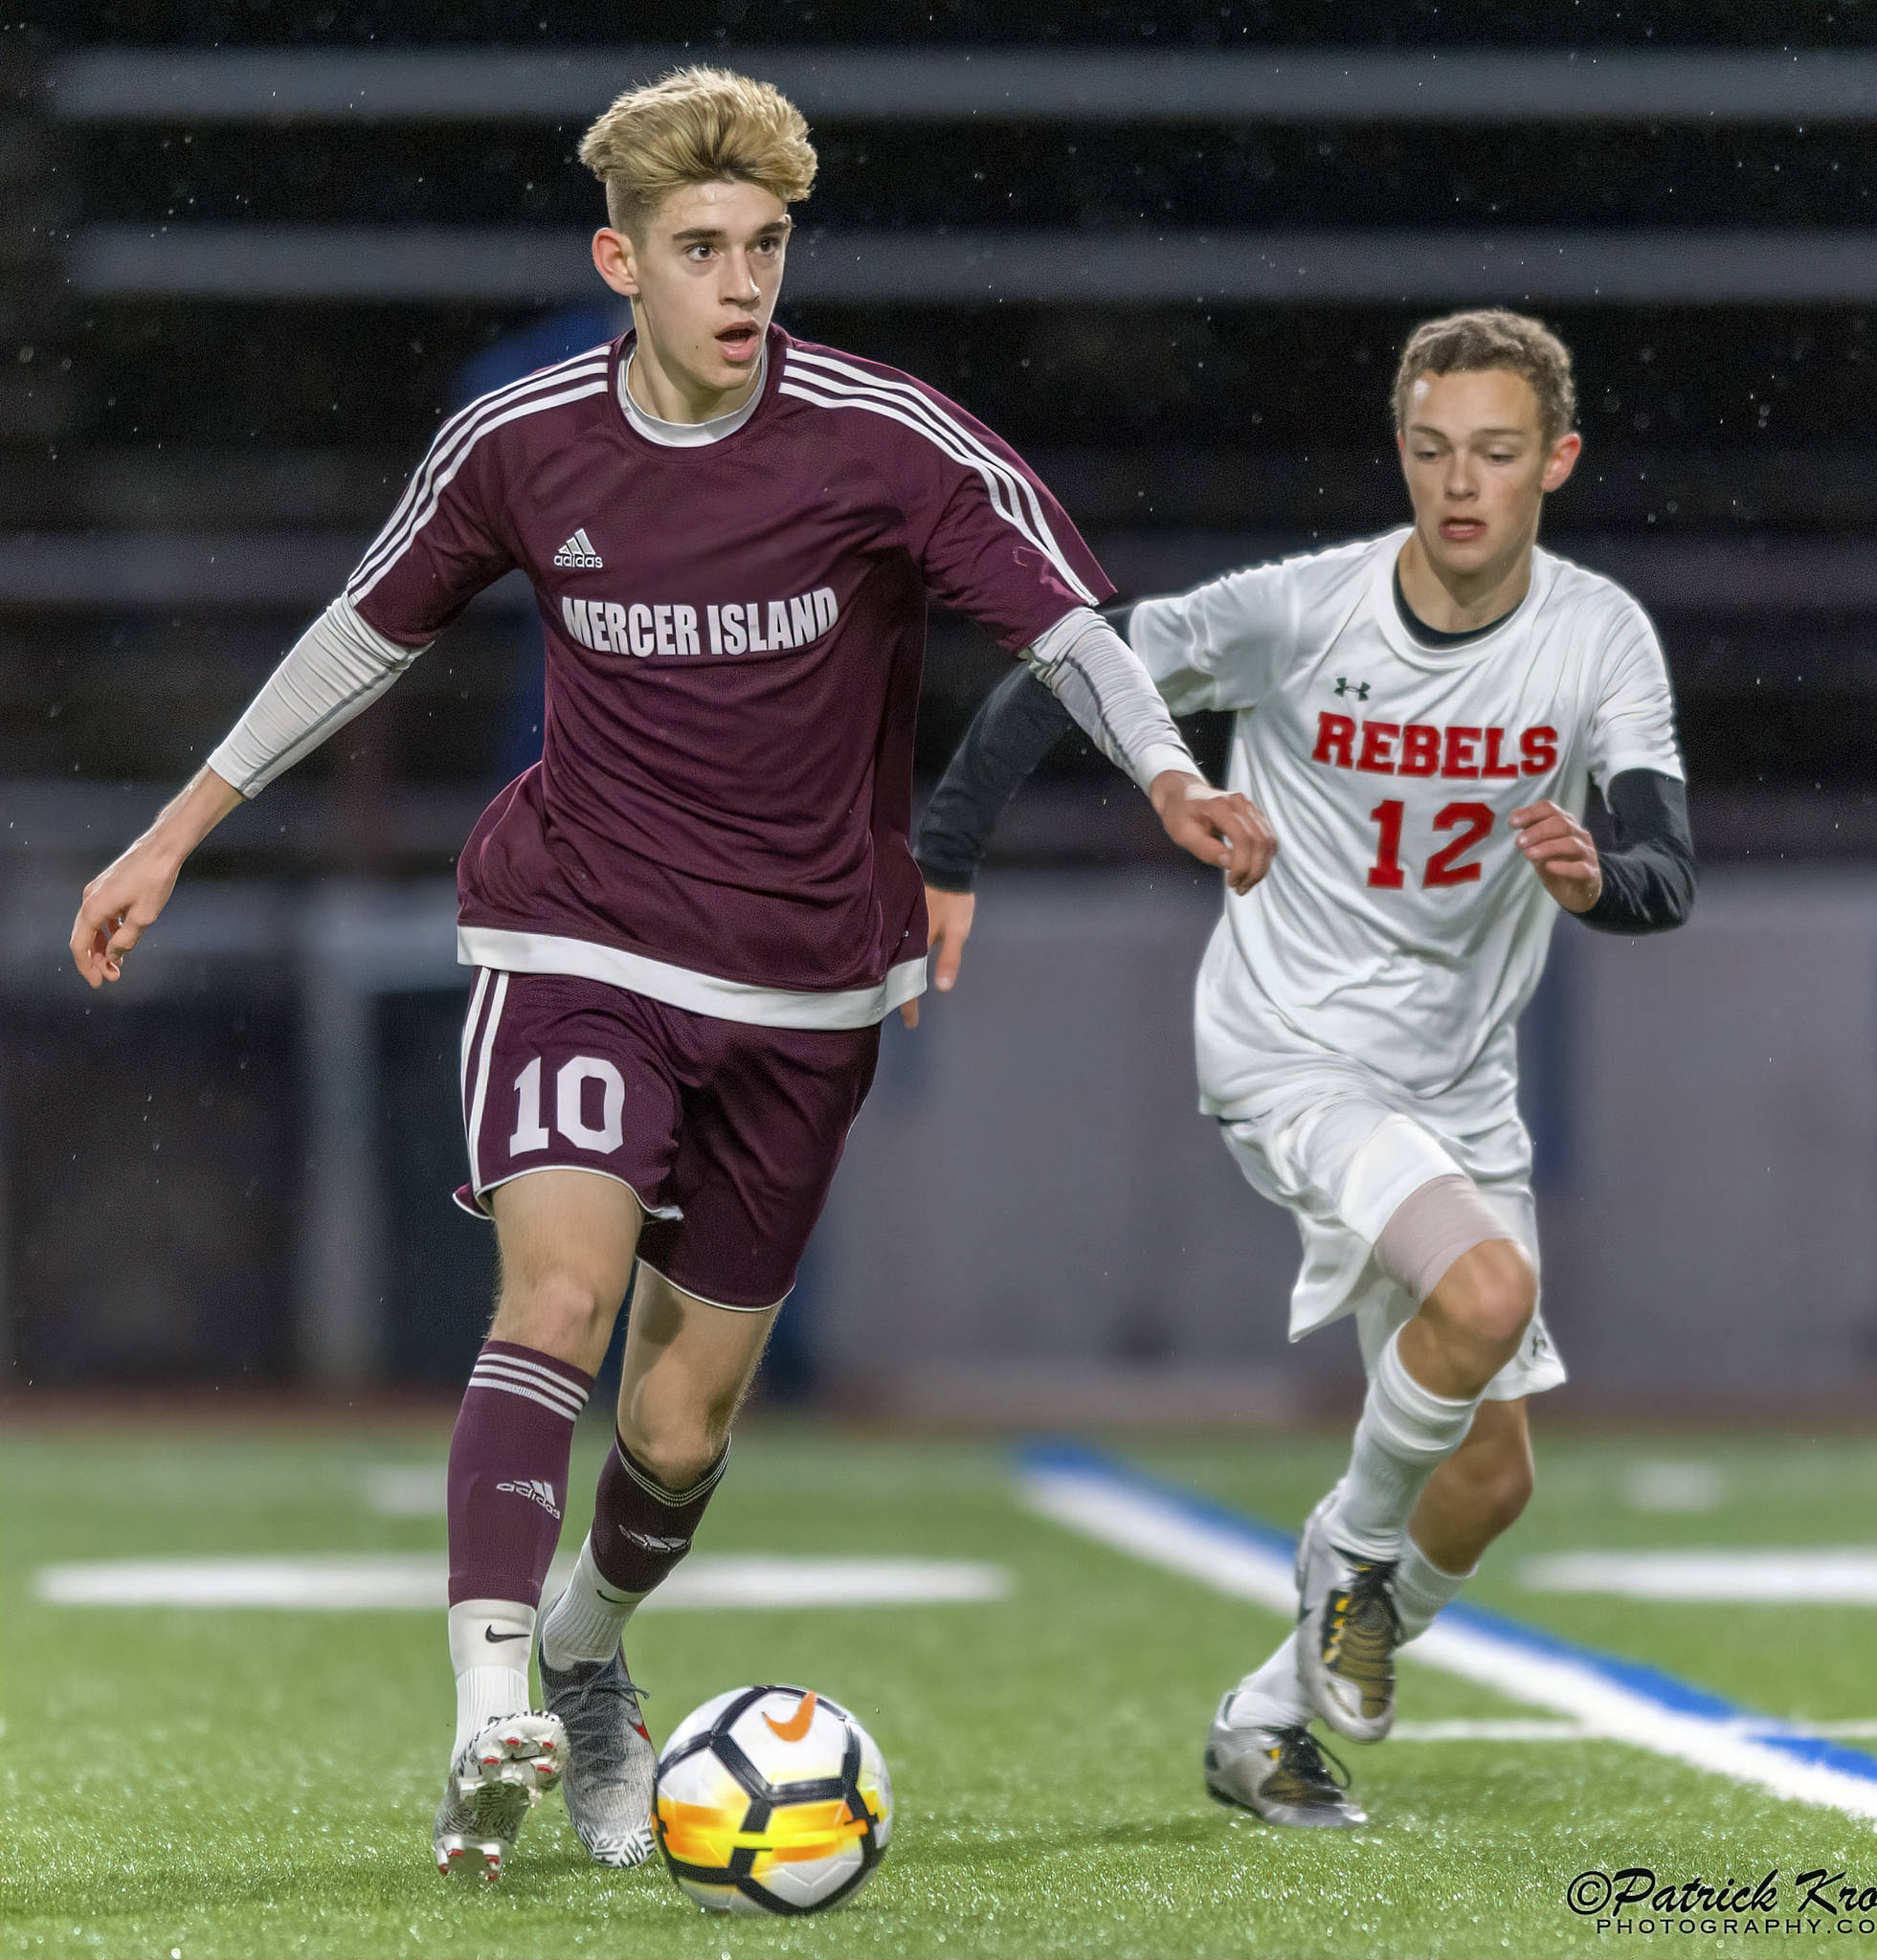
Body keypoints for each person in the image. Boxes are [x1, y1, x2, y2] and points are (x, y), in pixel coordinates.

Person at [68, 67, 1276, 1881]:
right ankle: (494, 1711)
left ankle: (583, 1652)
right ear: (618, 260)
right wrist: (176, 828)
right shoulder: (522, 442)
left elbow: (1066, 626)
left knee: (679, 1420)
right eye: (702, 248)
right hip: (574, 933)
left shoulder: (889, 443)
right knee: (556, 1297)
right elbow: (364, 626)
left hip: (804, 986)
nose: (743, 285)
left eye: (767, 247)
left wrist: (1172, 774)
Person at [915, 309, 1695, 1828]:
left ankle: (1266, 1718)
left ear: (1559, 463)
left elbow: (1667, 867)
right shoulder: (1304, 610)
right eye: (1429, 450)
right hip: (1290, 1048)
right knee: (1486, 1300)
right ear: (1398, 455)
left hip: (1459, 1087)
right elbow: (1077, 657)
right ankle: (1347, 1548)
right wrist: (944, 848)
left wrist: (1599, 879)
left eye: (1495, 452)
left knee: (1493, 1484)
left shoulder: (1600, 635)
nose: (1459, 484)